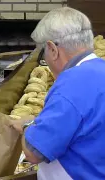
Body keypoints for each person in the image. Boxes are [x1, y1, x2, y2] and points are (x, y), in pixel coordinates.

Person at [9, 7, 105, 179]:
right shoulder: (100, 70)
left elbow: (34, 153)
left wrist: (26, 126)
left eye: (43, 53)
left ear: (53, 49)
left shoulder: (71, 85)